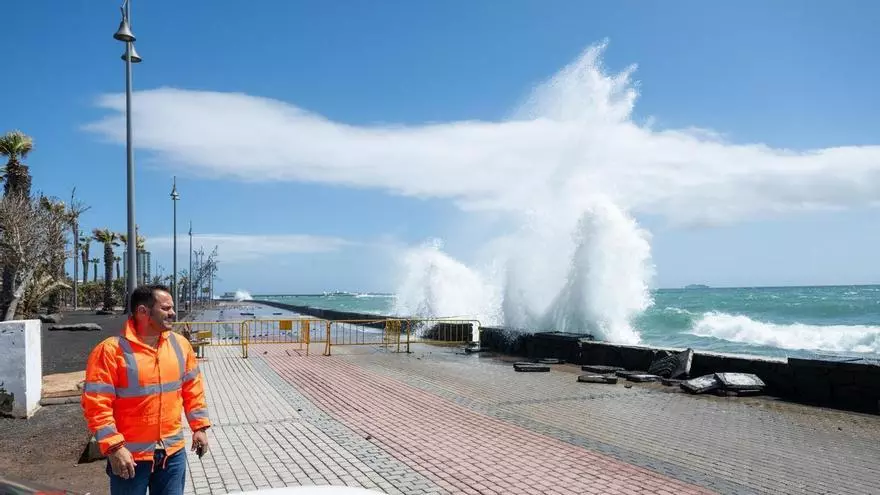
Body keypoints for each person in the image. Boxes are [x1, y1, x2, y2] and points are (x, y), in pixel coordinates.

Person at [81, 284, 211, 495]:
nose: (173, 313)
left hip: (172, 454)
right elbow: (96, 404)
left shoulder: (180, 345)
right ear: (143, 311)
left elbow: (192, 389)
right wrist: (114, 447)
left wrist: (200, 428)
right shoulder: (110, 351)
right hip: (129, 457)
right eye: (166, 308)